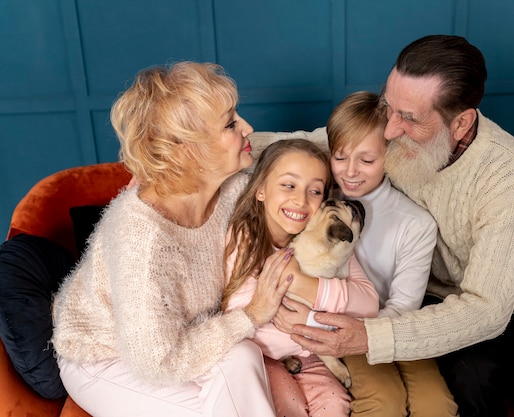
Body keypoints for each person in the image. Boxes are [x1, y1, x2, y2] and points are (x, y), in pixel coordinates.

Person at [277, 35, 514, 416]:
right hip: (437, 299)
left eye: (409, 118)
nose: (389, 130)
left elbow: (487, 309)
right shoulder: (390, 134)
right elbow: (308, 142)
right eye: (389, 108)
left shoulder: (506, 172)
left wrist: (367, 337)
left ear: (461, 123)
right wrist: (222, 143)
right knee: (471, 382)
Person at [52, 62, 294, 417]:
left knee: (243, 358)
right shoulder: (144, 239)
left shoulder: (232, 184)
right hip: (108, 358)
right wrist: (253, 314)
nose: (249, 128)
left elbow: (296, 151)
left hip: (185, 339)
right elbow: (158, 361)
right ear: (186, 151)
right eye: (230, 123)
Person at [322, 90, 457, 417]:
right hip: (342, 326)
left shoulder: (415, 223)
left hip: (398, 328)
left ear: (392, 154)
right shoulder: (318, 206)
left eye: (367, 160)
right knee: (383, 402)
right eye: (340, 157)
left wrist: (367, 337)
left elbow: (404, 307)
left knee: (437, 406)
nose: (350, 171)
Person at [222, 138, 379, 417]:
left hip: (310, 350)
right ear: (260, 190)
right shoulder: (244, 238)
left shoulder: (324, 235)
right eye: (288, 185)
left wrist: (306, 308)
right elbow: (243, 315)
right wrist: (310, 331)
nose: (301, 200)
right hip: (263, 354)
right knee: (289, 405)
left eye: (315, 190)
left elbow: (368, 303)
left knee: (335, 405)